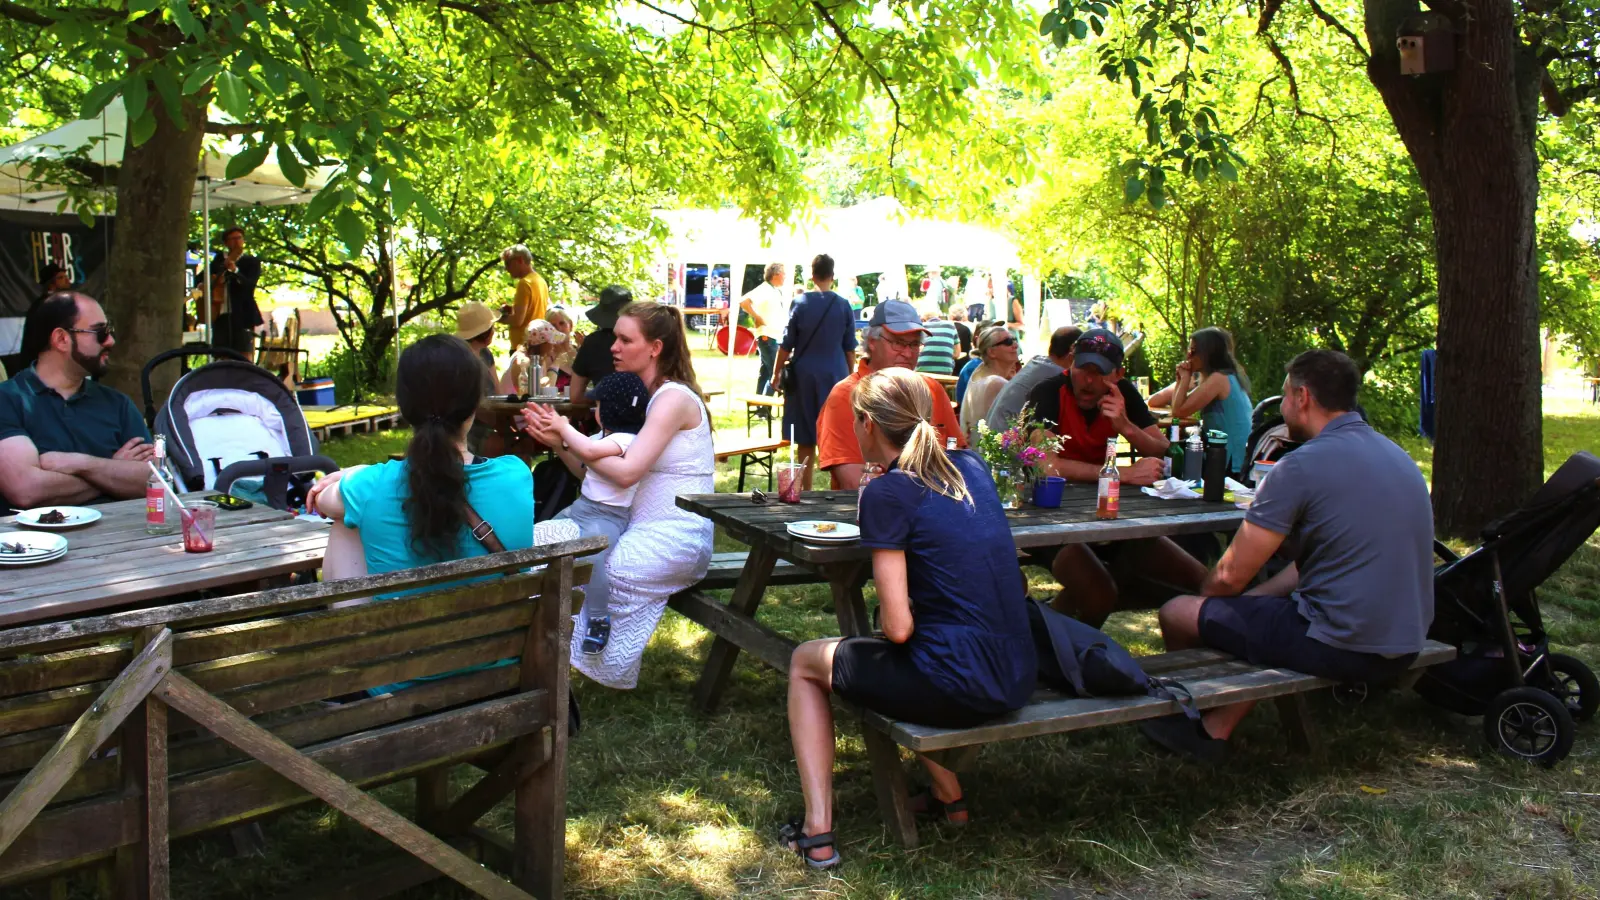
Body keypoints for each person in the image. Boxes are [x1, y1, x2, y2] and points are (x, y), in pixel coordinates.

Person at [782, 367, 1035, 868]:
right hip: (1017, 670)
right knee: (892, 657)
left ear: (866, 424)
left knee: (808, 662)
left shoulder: (886, 492)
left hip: (960, 682)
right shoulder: (973, 469)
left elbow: (898, 627)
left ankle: (818, 831)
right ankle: (949, 794)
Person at [1142, 349, 1434, 760]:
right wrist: (1246, 605)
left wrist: (1205, 603)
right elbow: (1313, 564)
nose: (1281, 407)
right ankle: (1220, 720)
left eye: (1282, 397)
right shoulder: (1396, 455)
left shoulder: (1301, 465)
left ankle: (1201, 726)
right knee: (1245, 615)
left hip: (1343, 644)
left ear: (1302, 397)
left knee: (1179, 612)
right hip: (1404, 643)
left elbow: (1229, 576)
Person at [307, 335, 534, 671]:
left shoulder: (371, 486)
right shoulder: (518, 475)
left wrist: (359, 473)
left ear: (404, 407)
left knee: (347, 519)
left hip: (399, 678)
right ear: (475, 405)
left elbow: (324, 500)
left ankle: (352, 654)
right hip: (496, 670)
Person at [521, 302, 715, 689]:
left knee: (592, 568)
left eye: (626, 340)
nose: (614, 347)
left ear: (655, 348)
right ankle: (533, 665)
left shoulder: (672, 399)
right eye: (616, 338)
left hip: (675, 536)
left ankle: (571, 662)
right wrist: (558, 444)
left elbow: (626, 473)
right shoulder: (635, 400)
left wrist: (565, 432)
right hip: (622, 524)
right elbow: (596, 475)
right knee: (532, 548)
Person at [1028, 329, 1202, 627]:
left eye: (1100, 372)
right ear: (1070, 364)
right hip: (1050, 516)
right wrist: (1123, 474)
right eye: (1083, 369)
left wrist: (1126, 426)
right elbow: (1045, 466)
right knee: (1100, 593)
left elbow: (1166, 452)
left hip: (1110, 515)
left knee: (1202, 580)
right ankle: (1066, 655)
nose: (1089, 380)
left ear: (1118, 374)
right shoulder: (1047, 393)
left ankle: (1048, 630)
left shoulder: (1124, 395)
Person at [0, 292, 153, 507]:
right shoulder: (8, 400)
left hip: (120, 537)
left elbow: (153, 481)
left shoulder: (118, 404)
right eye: (100, 332)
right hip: (39, 540)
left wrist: (81, 464)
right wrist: (114, 469)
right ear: (61, 339)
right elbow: (26, 490)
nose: (111, 341)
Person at [547, 371, 651, 657]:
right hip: (581, 508)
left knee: (593, 554)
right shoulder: (601, 437)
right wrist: (557, 443)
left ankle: (598, 618)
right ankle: (550, 607)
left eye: (598, 405)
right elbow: (584, 468)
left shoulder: (629, 441)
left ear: (613, 409)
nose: (594, 411)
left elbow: (590, 452)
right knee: (543, 537)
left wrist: (564, 427)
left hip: (610, 517)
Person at [815, 299, 967, 491]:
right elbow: (854, 482)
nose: (907, 353)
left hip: (936, 511)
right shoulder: (846, 394)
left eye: (914, 344)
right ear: (871, 342)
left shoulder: (932, 389)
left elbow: (960, 462)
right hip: (871, 513)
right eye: (898, 343)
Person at [771, 255, 857, 490]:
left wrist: (776, 373)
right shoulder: (843, 304)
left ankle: (804, 490)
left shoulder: (800, 302)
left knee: (805, 436)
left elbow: (786, 343)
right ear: (832, 275)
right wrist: (852, 376)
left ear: (812, 274)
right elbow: (850, 347)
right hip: (836, 375)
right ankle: (836, 490)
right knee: (837, 435)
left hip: (804, 375)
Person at [1149, 327, 1253, 475]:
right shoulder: (1222, 376)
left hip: (1231, 462)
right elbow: (1165, 403)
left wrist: (1185, 378)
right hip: (1223, 454)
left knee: (1168, 453)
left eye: (1193, 351)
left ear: (1208, 353)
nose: (1188, 355)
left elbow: (1178, 412)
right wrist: (1180, 380)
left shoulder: (1219, 379)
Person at [984, 325, 1080, 429]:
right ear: (1072, 350)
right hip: (1004, 441)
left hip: (994, 437)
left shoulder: (1038, 363)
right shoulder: (1056, 377)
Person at [959, 326, 1020, 441]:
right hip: (986, 456)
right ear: (991, 352)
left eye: (1014, 340)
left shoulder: (979, 371)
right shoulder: (995, 383)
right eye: (1008, 342)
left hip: (972, 453)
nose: (1015, 345)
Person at [568, 285, 629, 401]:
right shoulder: (644, 339)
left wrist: (600, 396)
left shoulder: (592, 342)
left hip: (603, 416)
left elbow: (575, 395)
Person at [210, 227, 264, 354]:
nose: (236, 242)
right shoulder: (218, 261)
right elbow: (200, 280)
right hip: (221, 315)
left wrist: (235, 271)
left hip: (243, 314)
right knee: (221, 354)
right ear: (226, 243)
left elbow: (249, 285)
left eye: (239, 238)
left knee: (244, 353)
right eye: (232, 239)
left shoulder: (251, 262)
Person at [454, 301, 498, 453]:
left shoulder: (486, 353)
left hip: (492, 421)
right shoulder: (459, 358)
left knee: (524, 443)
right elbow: (464, 402)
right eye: (492, 327)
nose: (494, 330)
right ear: (486, 332)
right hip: (468, 429)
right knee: (514, 446)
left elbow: (498, 393)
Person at [740, 262, 790, 396]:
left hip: (774, 335)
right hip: (767, 336)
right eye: (784, 274)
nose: (785, 277)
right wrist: (757, 317)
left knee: (765, 373)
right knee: (776, 372)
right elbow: (744, 302)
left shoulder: (775, 290)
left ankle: (760, 407)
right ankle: (764, 408)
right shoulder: (764, 289)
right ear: (776, 275)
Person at [502, 244, 550, 351]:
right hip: (536, 344)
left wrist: (496, 317)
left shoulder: (525, 283)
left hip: (522, 347)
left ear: (520, 260)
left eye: (508, 263)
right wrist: (512, 309)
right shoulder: (540, 281)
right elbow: (532, 311)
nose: (506, 268)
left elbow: (517, 320)